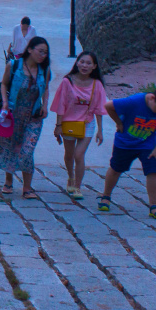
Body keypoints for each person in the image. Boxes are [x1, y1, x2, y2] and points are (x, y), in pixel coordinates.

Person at [98, 87, 156, 219]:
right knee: (116, 169)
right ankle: (105, 196)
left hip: (148, 144)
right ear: (152, 98)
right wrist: (118, 123)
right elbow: (109, 106)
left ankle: (154, 206)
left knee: (153, 171)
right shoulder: (134, 101)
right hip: (125, 143)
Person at [0, 36, 52, 198]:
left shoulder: (45, 70)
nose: (43, 55)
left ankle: (27, 187)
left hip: (33, 116)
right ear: (30, 49)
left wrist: (45, 105)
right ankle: (8, 181)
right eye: (40, 51)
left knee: (27, 151)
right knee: (10, 148)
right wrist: (5, 103)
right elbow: (4, 83)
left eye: (46, 53)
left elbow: (46, 88)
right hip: (13, 115)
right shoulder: (14, 66)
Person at [50, 52, 107, 200]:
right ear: (77, 63)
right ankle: (71, 177)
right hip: (68, 122)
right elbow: (60, 105)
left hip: (87, 123)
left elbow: (99, 108)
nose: (84, 66)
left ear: (94, 66)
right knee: (69, 154)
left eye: (88, 63)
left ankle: (77, 186)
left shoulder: (97, 84)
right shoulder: (67, 82)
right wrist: (58, 125)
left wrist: (100, 130)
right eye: (82, 62)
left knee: (79, 155)